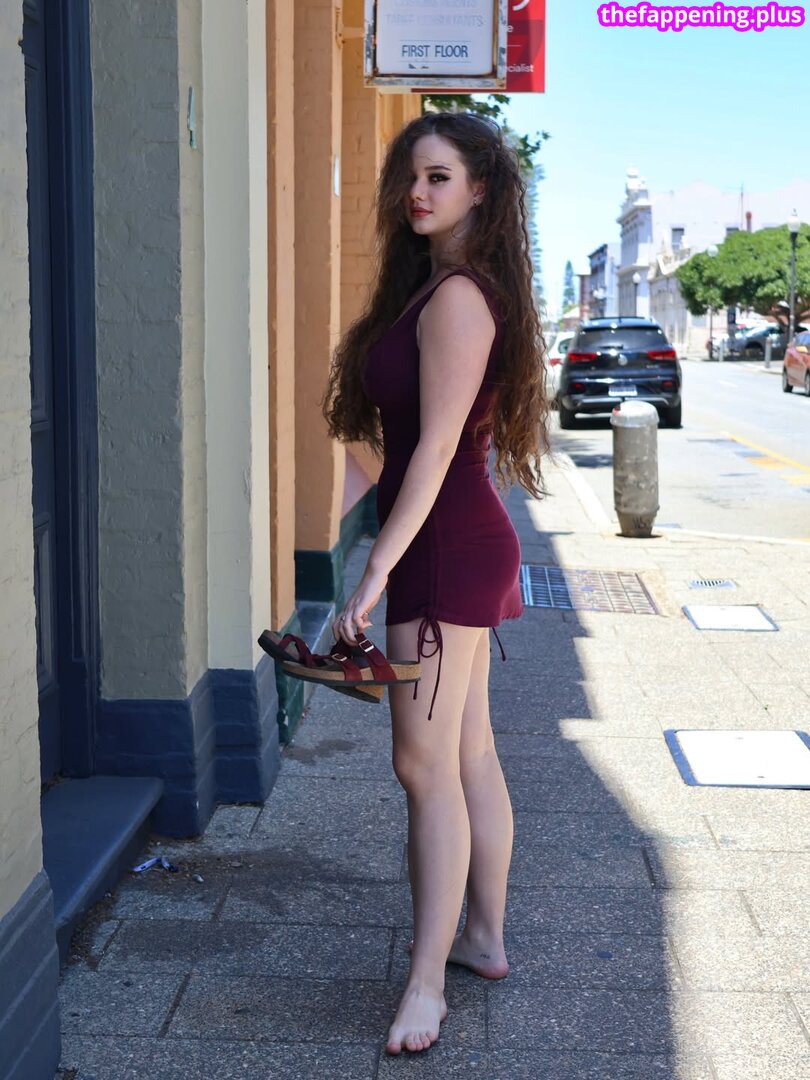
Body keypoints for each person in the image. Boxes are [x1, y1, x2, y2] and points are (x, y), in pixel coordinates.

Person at [321, 111, 551, 1056]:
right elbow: (395, 446)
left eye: (439, 176)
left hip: (442, 551)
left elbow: (441, 449)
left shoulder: (458, 298)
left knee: (424, 768)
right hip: (451, 541)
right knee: (468, 755)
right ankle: (482, 939)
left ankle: (425, 987)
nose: (417, 192)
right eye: (412, 176)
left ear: (480, 189)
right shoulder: (437, 287)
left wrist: (374, 565)